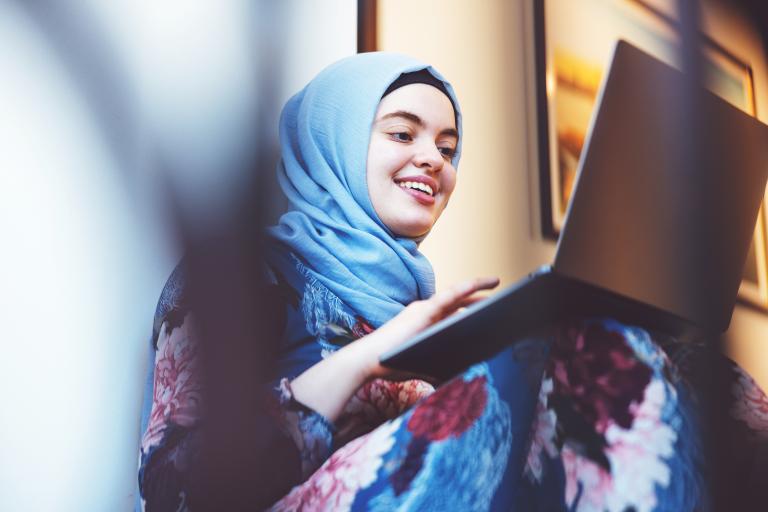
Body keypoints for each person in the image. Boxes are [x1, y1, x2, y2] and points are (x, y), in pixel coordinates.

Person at [138, 52, 768, 511]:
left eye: (448, 146)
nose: (432, 160)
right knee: (582, 346)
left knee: (687, 359)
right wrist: (370, 359)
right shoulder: (246, 275)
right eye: (402, 133)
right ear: (331, 142)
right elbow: (178, 488)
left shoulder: (420, 308)